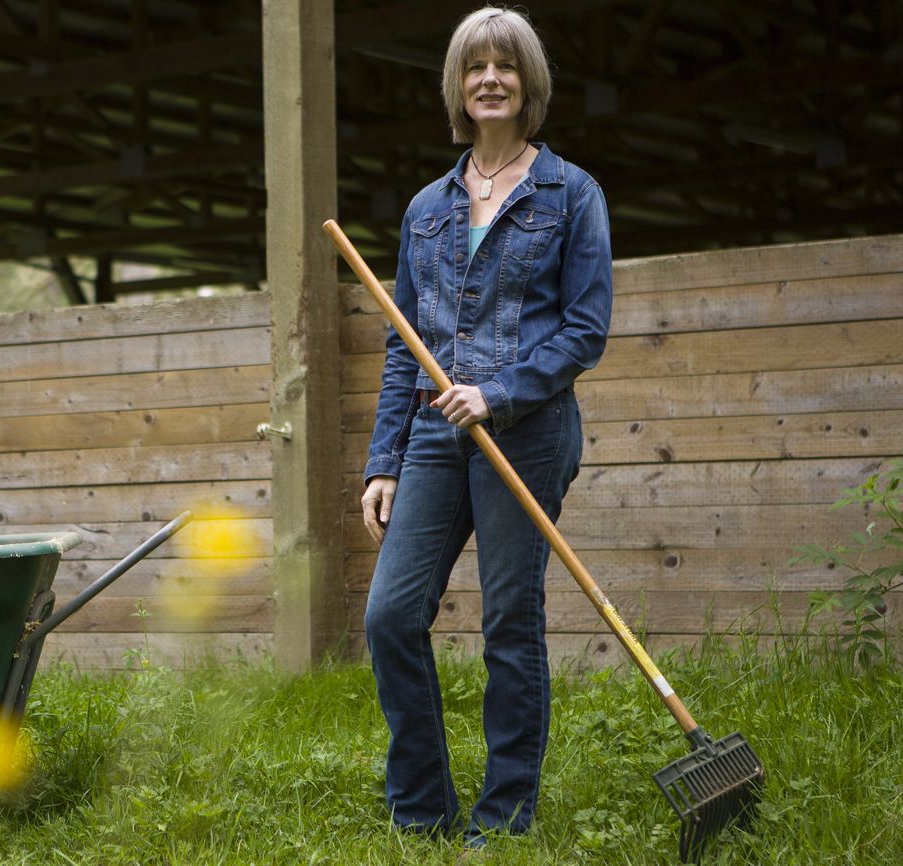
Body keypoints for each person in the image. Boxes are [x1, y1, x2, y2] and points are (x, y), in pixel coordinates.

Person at [359, 5, 613, 851]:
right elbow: (407, 341)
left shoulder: (571, 194)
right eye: (476, 68)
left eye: (506, 66)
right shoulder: (427, 209)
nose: (490, 80)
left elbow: (584, 330)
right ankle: (422, 810)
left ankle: (501, 820)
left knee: (510, 620)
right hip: (434, 434)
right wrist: (382, 460)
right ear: (458, 88)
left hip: (528, 431)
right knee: (390, 616)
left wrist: (497, 393)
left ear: (528, 83)